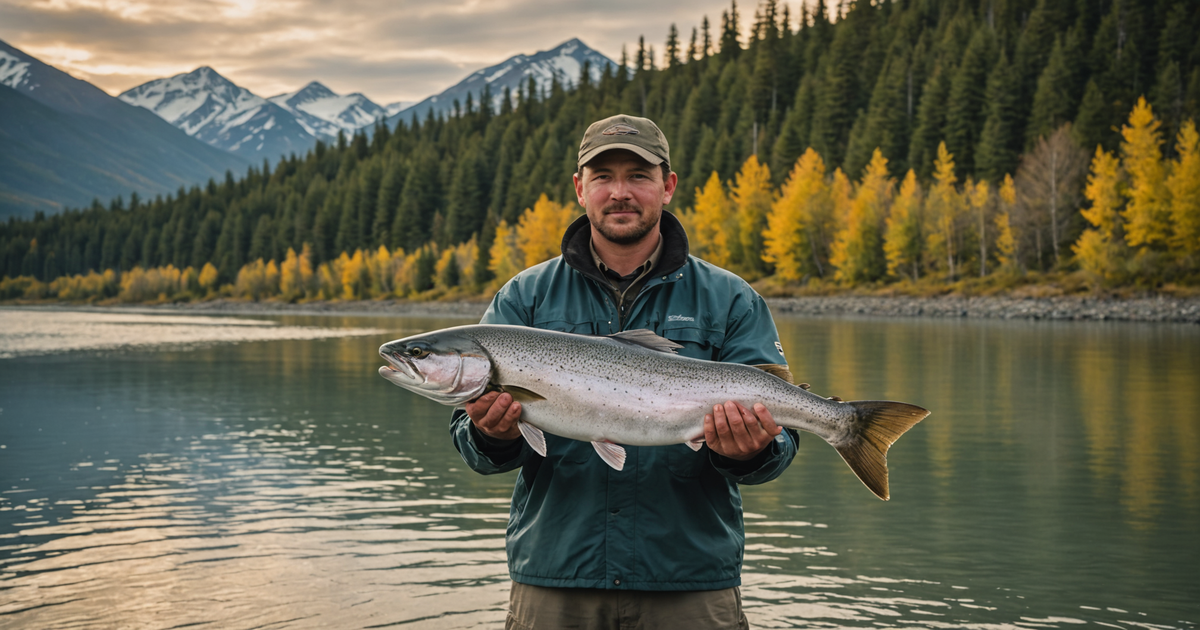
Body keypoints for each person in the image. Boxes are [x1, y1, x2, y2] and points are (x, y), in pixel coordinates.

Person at [450, 114, 798, 630]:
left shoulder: (730, 299)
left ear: (668, 186)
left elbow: (780, 445)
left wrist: (753, 451)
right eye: (603, 177)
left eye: (638, 175)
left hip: (691, 581)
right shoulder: (524, 297)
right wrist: (492, 436)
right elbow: (474, 448)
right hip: (556, 579)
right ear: (579, 188)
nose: (620, 192)